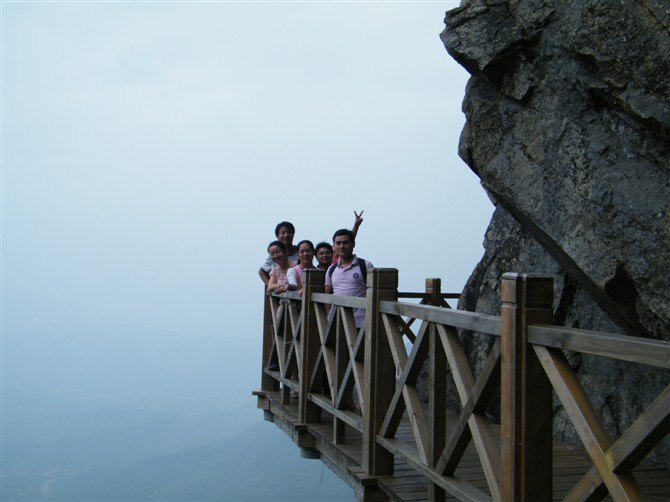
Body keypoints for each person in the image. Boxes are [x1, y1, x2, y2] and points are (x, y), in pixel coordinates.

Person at [325, 228, 373, 328]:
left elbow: (375, 293)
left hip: (360, 322)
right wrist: (327, 318)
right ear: (334, 246)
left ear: (353, 244)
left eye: (345, 243)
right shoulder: (331, 269)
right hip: (336, 322)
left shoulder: (365, 265)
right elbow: (326, 295)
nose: (341, 246)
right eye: (338, 243)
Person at [259, 221, 298, 287]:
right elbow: (262, 271)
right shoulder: (275, 256)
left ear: (293, 234)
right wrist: (270, 285)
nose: (286, 235)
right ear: (277, 236)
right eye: (283, 233)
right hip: (280, 292)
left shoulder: (299, 251)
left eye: (289, 232)